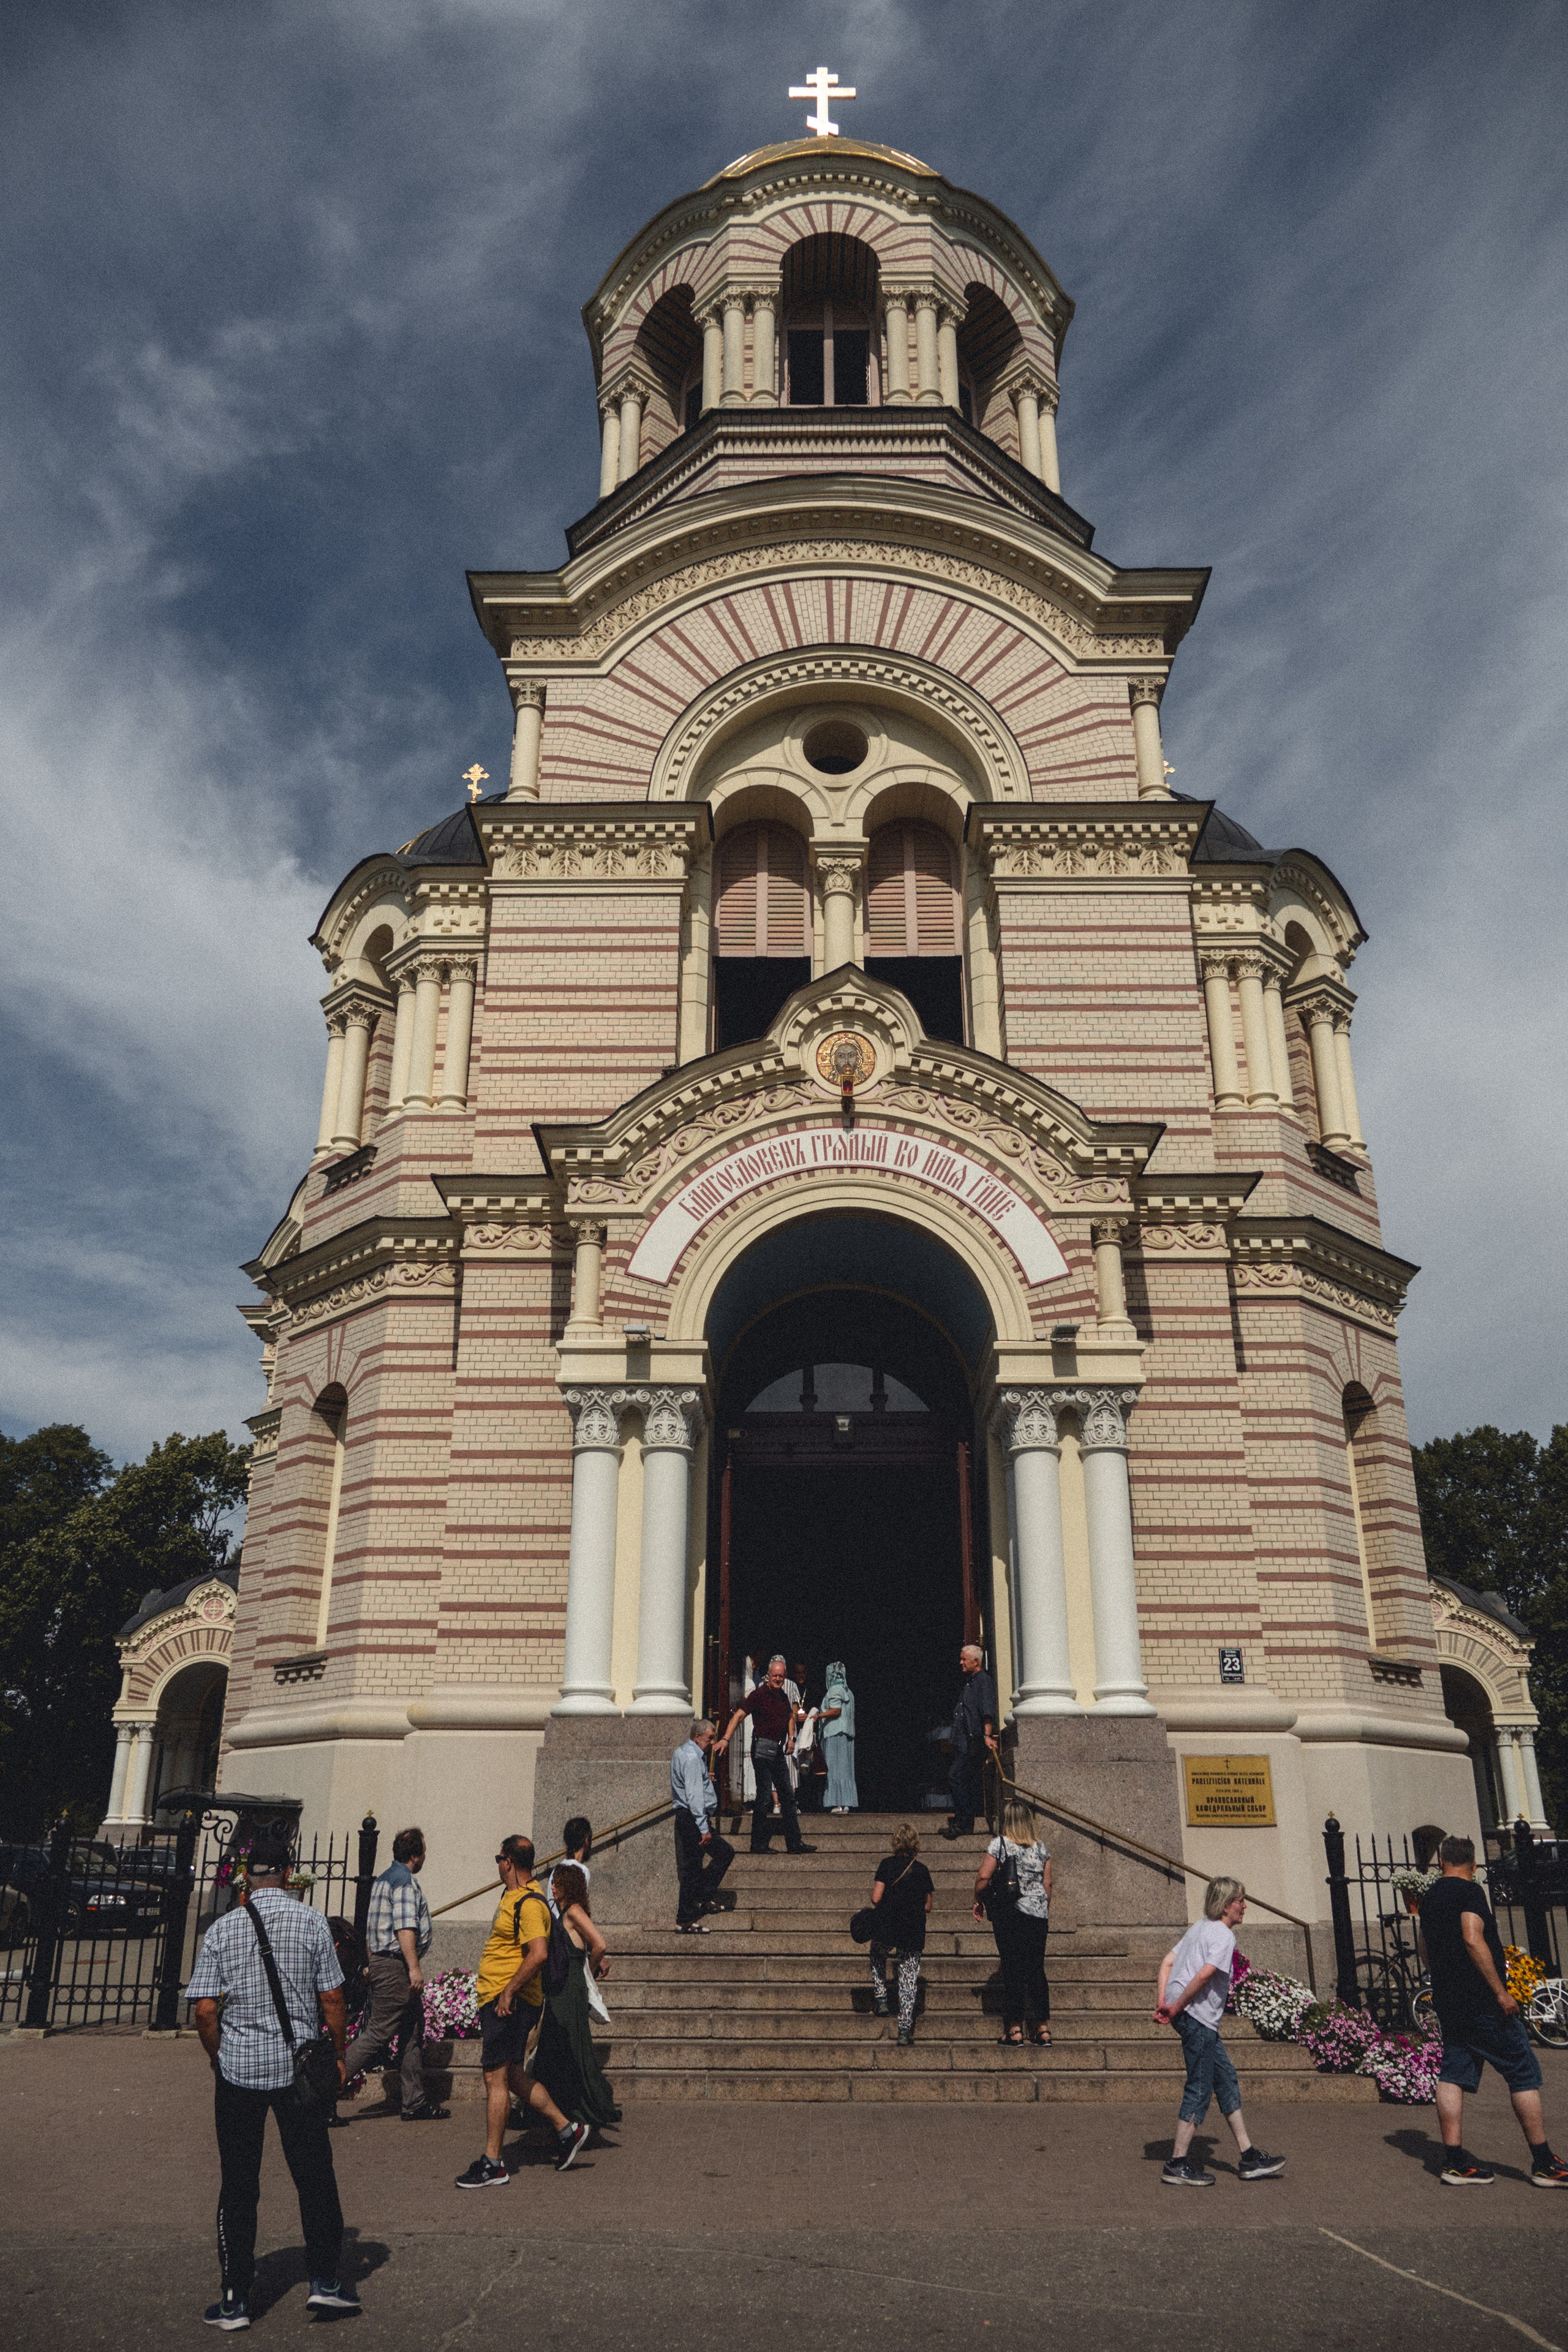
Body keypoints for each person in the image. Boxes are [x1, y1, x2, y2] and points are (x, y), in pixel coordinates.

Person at [186, 1830, 361, 2330]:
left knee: (239, 2183)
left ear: (247, 1877)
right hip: (296, 2071)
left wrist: (219, 2056)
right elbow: (333, 1999)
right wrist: (339, 2054)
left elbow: (204, 2010)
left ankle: (235, 2298)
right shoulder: (313, 1922)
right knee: (314, 2175)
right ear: (287, 1874)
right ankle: (324, 2280)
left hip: (239, 2072)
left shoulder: (223, 1929)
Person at [1417, 1833, 1567, 2187]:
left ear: (1441, 1862)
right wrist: (1501, 1993)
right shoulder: (1471, 1892)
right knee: (1522, 2072)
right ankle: (1544, 2162)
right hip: (1482, 2001)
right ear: (1473, 1865)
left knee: (1453, 2073)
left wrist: (1441, 1977)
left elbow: (1424, 1945)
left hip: (1449, 2001)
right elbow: (1472, 1937)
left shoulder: (1430, 1897)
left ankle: (1454, 2161)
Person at [454, 1834, 589, 2188]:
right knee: (513, 2076)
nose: (498, 1865)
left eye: (499, 1859)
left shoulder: (529, 1903)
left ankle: (493, 2163)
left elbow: (539, 1953)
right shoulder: (513, 1896)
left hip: (509, 2003)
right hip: (501, 1998)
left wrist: (509, 1991)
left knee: (495, 2078)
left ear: (509, 1862)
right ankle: (568, 2130)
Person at [1154, 1877, 1285, 2187]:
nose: (1245, 1906)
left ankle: (1249, 2156)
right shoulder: (1224, 1935)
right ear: (1226, 1906)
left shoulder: (1200, 1927)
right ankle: (1177, 2163)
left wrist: (1164, 2001)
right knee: (1199, 2088)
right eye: (1241, 1901)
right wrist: (1177, 2006)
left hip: (1188, 2015)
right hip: (1196, 2017)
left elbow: (1167, 1962)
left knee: (1225, 2078)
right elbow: (1205, 1974)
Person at [339, 1825, 449, 2122]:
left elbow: (371, 1926)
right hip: (395, 1966)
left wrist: (371, 1961)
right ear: (415, 1855)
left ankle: (415, 2102)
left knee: (411, 2030)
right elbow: (404, 1928)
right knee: (378, 2032)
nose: (425, 1857)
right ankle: (325, 2092)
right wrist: (414, 1968)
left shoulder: (383, 1880)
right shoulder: (404, 1882)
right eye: (424, 1852)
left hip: (383, 1963)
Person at [532, 1864, 622, 2133]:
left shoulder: (573, 1911)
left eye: (557, 1883)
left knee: (568, 2044)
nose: (552, 1887)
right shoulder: (563, 1912)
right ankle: (563, 2111)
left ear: (567, 1886)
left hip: (571, 1987)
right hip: (561, 1986)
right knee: (561, 2045)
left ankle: (583, 2108)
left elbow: (600, 1944)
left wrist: (589, 1970)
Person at [974, 1796, 1053, 2046]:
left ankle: (1015, 2029)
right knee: (1036, 1969)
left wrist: (978, 1900)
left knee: (1012, 1969)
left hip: (1010, 1913)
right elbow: (1048, 1885)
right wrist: (1041, 1908)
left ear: (1007, 1821)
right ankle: (1042, 2029)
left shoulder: (1000, 1844)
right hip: (1038, 1915)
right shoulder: (1042, 1849)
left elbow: (983, 1877)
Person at [718, 1656, 816, 1855]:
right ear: (768, 1676)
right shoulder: (759, 1695)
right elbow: (739, 1715)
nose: (778, 1679)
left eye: (781, 1676)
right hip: (762, 1750)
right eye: (775, 1676)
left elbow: (790, 1717)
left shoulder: (783, 1697)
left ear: (784, 1677)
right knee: (763, 1797)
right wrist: (726, 1739)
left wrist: (792, 1739)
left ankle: (794, 1843)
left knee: (787, 1797)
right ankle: (758, 1844)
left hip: (778, 1751)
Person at [867, 1823, 934, 2047]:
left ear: (896, 1842)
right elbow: (928, 1906)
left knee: (877, 1953)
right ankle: (905, 2029)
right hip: (912, 1928)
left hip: (888, 1924)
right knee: (908, 1977)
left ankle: (881, 1997)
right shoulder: (922, 1870)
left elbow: (876, 1898)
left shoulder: (886, 1865)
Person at [671, 1717, 735, 1932]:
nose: (713, 1743)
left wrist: (704, 1778)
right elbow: (694, 1796)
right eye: (710, 1738)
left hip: (689, 1817)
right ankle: (686, 1918)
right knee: (712, 1859)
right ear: (697, 1737)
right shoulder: (692, 1758)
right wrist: (704, 1828)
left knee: (696, 1865)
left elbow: (690, 1784)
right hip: (693, 1818)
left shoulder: (683, 1753)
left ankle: (701, 1899)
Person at [942, 1642, 998, 1838]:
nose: (961, 1663)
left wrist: (987, 1736)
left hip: (973, 1741)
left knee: (955, 1776)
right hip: (963, 1740)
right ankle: (961, 1821)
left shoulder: (983, 1681)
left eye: (964, 1659)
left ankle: (965, 1823)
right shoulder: (969, 1681)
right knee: (961, 1778)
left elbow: (987, 1710)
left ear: (976, 1661)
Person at [819, 1659, 858, 1813]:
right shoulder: (849, 1692)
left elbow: (836, 1710)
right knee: (845, 1769)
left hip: (835, 1734)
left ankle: (837, 1803)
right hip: (846, 1735)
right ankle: (845, 1802)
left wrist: (818, 1716)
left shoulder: (835, 1690)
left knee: (834, 1768)